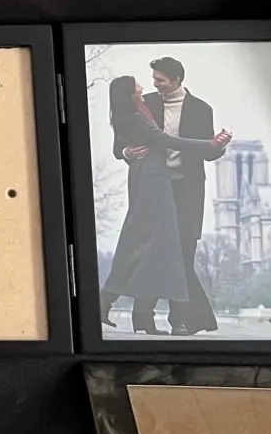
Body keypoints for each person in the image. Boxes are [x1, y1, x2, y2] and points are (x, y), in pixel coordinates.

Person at [98, 73, 231, 334]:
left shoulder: (195, 109)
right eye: (144, 82)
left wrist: (215, 147)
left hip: (175, 186)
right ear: (130, 94)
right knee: (148, 248)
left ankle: (143, 316)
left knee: (157, 250)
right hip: (154, 184)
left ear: (176, 79)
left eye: (160, 79)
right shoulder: (140, 109)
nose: (150, 84)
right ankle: (123, 308)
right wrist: (125, 152)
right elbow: (161, 141)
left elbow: (200, 152)